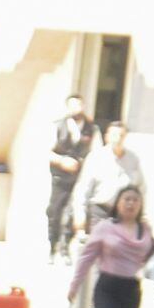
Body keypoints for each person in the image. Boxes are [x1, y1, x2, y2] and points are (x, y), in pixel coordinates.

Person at [47, 95, 96, 261]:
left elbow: (96, 152)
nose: (77, 109)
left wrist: (84, 165)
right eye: (73, 106)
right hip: (60, 175)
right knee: (55, 210)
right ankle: (52, 246)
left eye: (80, 105)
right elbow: (46, 152)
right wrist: (62, 161)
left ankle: (65, 247)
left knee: (73, 212)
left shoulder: (92, 128)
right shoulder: (58, 126)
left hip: (80, 176)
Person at [76, 121, 144, 231]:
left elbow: (140, 188)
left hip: (122, 214)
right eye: (114, 135)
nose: (117, 139)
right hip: (99, 212)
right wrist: (79, 214)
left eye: (121, 135)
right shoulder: (96, 157)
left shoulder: (133, 159)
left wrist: (141, 215)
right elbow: (83, 187)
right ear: (107, 137)